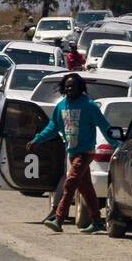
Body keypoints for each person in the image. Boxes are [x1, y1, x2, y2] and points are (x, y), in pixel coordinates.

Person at [28, 73, 118, 233]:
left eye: (73, 86)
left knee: (70, 183)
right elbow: (52, 128)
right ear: (63, 88)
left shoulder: (90, 106)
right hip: (72, 152)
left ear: (80, 88)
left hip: (86, 152)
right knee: (86, 188)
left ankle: (58, 219)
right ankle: (97, 221)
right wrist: (37, 140)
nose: (70, 89)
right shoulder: (61, 106)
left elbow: (104, 126)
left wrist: (116, 144)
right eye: (67, 86)